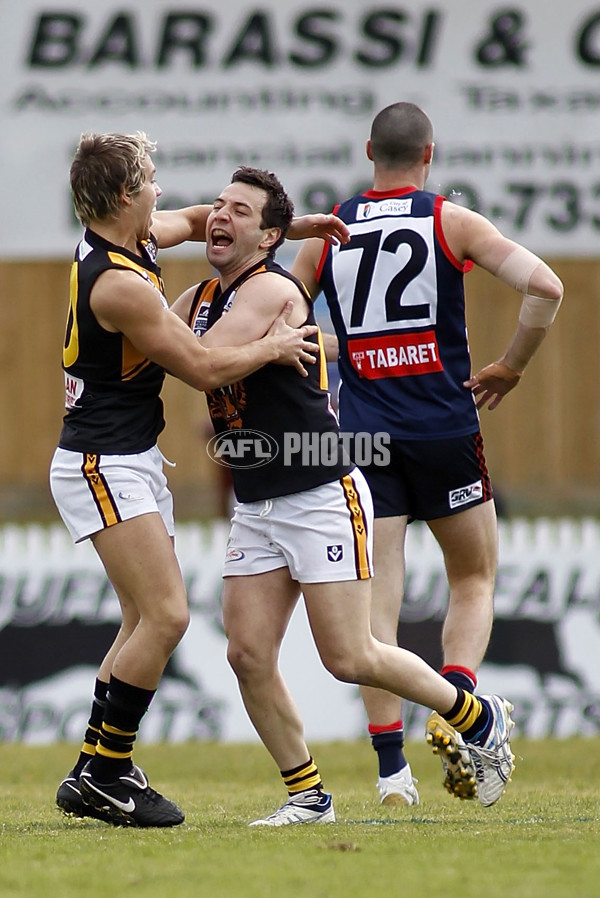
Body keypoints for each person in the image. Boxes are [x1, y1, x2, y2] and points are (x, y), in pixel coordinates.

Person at [171, 164, 516, 826]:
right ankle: (309, 797)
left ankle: (476, 715)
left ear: (270, 236)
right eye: (216, 206)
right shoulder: (203, 295)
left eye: (239, 211)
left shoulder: (271, 290)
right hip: (259, 500)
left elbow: (201, 361)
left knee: (349, 657)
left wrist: (268, 342)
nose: (218, 216)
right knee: (246, 654)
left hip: (319, 490)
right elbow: (158, 341)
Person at [51, 131, 349, 828]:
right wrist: (277, 343)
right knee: (167, 616)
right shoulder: (120, 283)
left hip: (122, 457)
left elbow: (186, 221)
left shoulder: (130, 235)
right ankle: (109, 774)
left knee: (141, 619)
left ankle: (94, 766)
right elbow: (203, 368)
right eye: (150, 177)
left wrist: (285, 229)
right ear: (126, 195)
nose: (161, 188)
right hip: (102, 461)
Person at [291, 101, 564, 806]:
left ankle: (392, 776)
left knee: (374, 612)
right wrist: (512, 364)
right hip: (444, 426)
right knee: (472, 576)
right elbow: (545, 286)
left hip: (362, 436)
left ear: (368, 150)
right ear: (429, 155)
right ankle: (469, 714)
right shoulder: (450, 220)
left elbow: (284, 314)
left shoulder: (329, 230)